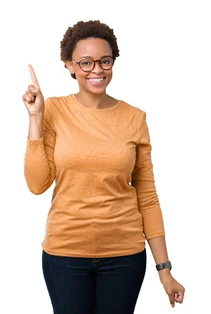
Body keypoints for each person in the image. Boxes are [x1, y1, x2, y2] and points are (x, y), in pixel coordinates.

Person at [22, 20, 184, 314]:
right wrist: (35, 119)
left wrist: (165, 269)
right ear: (69, 66)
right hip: (65, 254)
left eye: (105, 61)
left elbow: (146, 196)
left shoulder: (134, 117)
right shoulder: (53, 110)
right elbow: (37, 184)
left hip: (124, 256)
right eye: (86, 62)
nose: (97, 69)